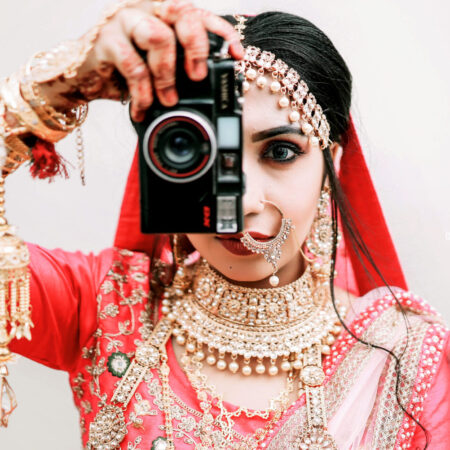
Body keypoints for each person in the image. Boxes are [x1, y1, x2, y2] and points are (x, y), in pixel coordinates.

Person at [0, 0, 448, 448]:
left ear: (331, 166)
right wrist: (64, 81)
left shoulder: (408, 357)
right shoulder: (101, 306)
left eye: (280, 152)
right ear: (164, 165)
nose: (243, 201)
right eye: (203, 155)